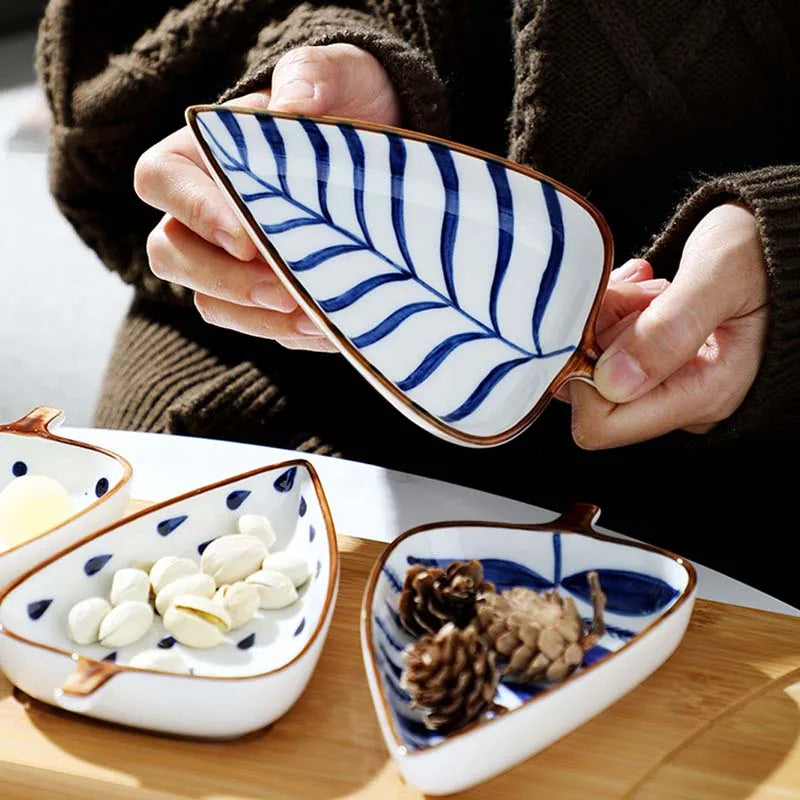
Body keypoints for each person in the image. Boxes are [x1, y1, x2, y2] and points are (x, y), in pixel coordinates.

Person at [37, 1, 799, 604]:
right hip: (280, 371)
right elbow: (113, 47)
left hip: (736, 478)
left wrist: (788, 261)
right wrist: (326, 75)